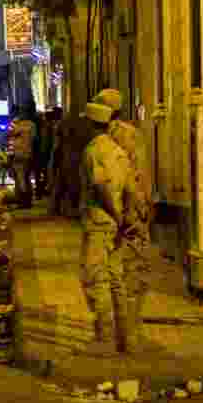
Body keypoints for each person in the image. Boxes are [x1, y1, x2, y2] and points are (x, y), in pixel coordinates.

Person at [92, 88, 154, 353]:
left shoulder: (114, 138)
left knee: (121, 276)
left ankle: (124, 337)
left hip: (124, 212)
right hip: (134, 210)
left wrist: (127, 213)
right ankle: (128, 336)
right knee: (129, 276)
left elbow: (126, 179)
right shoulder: (131, 134)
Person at [78, 101, 134, 356]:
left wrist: (114, 213)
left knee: (94, 277)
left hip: (100, 221)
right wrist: (124, 216)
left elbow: (102, 188)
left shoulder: (93, 151)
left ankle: (104, 337)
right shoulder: (117, 150)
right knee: (115, 279)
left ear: (91, 125)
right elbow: (130, 187)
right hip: (116, 223)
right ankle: (125, 338)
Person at [7, 108, 36, 209]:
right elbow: (34, 140)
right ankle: (28, 201)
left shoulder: (15, 124)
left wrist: (10, 157)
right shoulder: (32, 125)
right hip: (28, 155)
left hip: (18, 155)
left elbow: (10, 140)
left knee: (20, 180)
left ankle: (23, 202)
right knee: (26, 179)